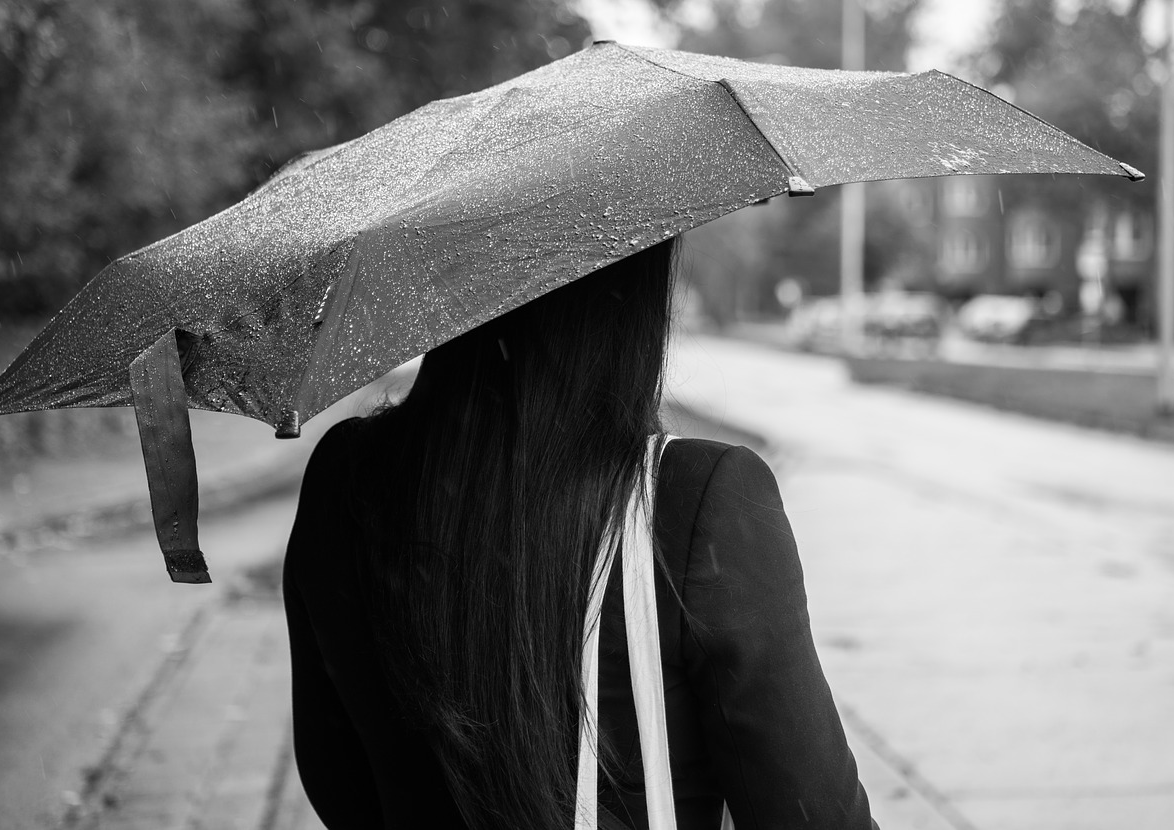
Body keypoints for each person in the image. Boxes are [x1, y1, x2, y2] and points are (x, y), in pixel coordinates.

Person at [282, 237, 877, 830]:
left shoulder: (345, 482)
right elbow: (813, 813)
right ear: (635, 292)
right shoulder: (695, 501)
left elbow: (338, 783)